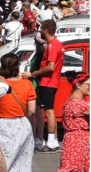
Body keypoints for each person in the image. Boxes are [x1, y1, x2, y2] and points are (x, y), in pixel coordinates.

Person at [23, 19, 64, 153]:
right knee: (48, 110)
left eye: (41, 29)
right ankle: (52, 140)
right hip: (50, 82)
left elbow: (50, 67)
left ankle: (51, 142)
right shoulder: (56, 44)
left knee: (49, 111)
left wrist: (35, 74)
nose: (41, 31)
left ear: (45, 30)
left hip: (48, 82)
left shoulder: (52, 45)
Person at [53, 72, 89, 172]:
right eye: (88, 85)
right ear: (78, 85)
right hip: (76, 143)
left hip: (80, 142)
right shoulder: (76, 103)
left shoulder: (77, 101)